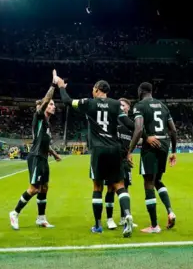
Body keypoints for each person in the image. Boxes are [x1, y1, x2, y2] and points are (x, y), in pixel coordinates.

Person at [55, 73, 135, 237]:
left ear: (97, 89)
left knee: (97, 187)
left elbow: (67, 102)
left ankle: (98, 225)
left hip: (98, 150)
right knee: (120, 185)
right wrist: (146, 134)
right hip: (114, 149)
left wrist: (61, 86)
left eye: (93, 88)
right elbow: (129, 124)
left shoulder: (88, 103)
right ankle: (127, 214)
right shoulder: (115, 105)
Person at [9, 70, 62, 230]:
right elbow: (46, 100)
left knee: (44, 188)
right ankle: (15, 212)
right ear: (44, 106)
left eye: (54, 104)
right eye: (51, 104)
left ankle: (41, 218)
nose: (53, 106)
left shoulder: (47, 124)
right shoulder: (38, 117)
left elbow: (44, 143)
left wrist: (54, 154)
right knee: (34, 188)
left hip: (44, 158)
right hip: (36, 157)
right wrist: (54, 84)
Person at [128, 82, 178, 234]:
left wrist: (129, 150)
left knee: (148, 183)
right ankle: (170, 211)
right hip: (164, 145)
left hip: (151, 147)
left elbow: (138, 129)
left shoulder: (140, 106)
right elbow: (173, 131)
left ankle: (154, 225)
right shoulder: (163, 106)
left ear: (140, 91)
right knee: (157, 180)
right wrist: (174, 151)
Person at [105, 98, 160, 230]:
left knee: (126, 187)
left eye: (123, 105)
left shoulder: (130, 125)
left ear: (128, 108)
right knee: (111, 188)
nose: (120, 107)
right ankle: (109, 219)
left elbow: (136, 137)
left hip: (125, 159)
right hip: (113, 158)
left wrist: (130, 152)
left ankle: (124, 218)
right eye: (119, 105)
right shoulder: (112, 120)